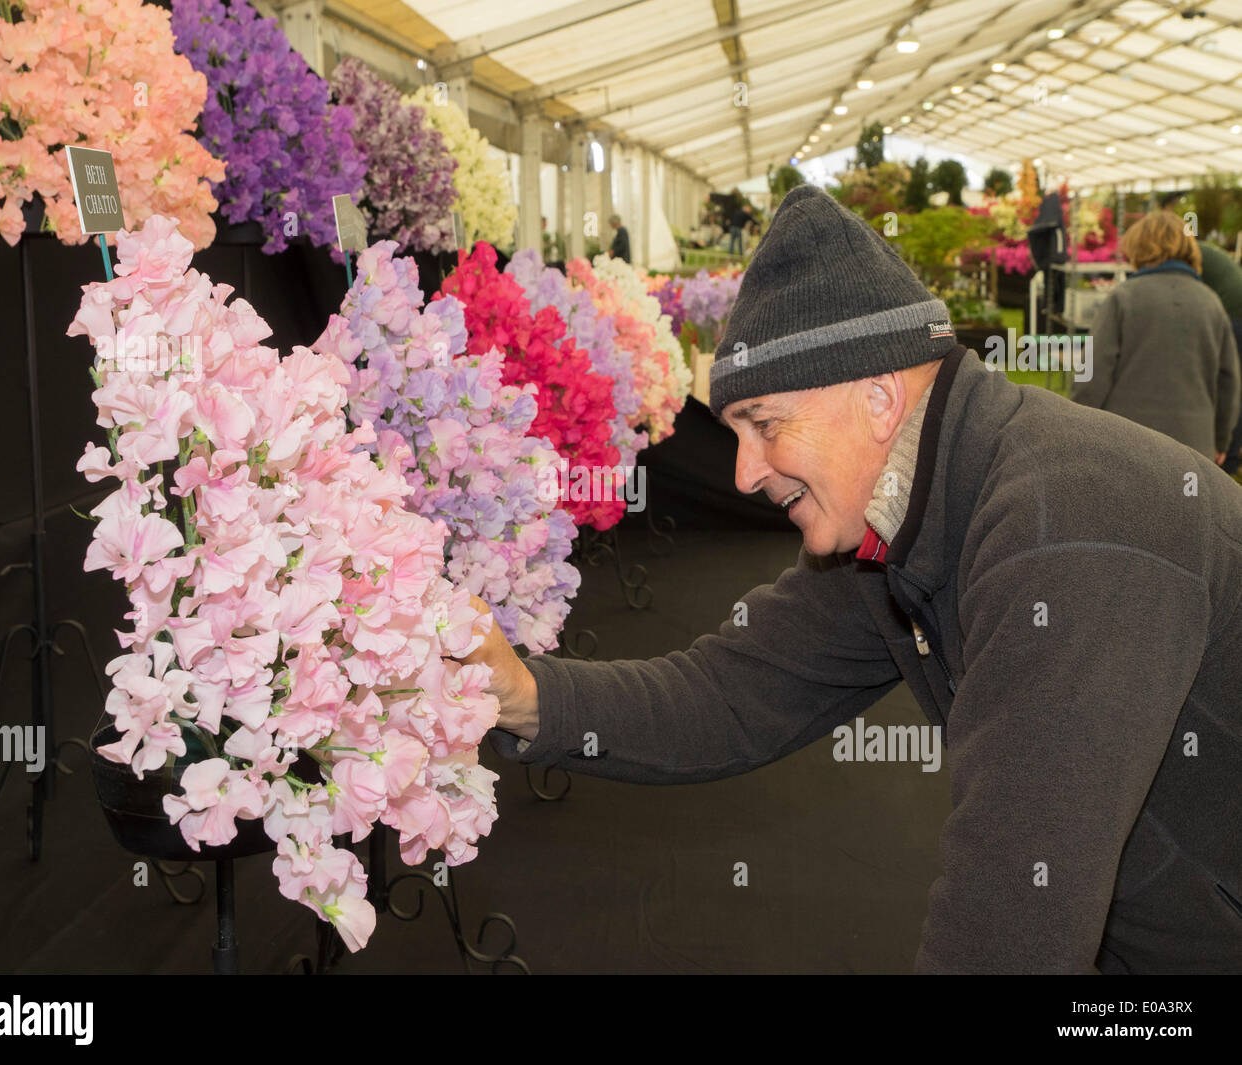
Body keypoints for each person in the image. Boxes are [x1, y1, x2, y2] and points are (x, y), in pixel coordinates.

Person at [461, 184, 1242, 974]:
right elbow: (729, 694)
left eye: (764, 425)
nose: (740, 473)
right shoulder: (897, 510)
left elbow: (1008, 925)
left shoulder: (1065, 533)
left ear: (878, 398)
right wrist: (526, 693)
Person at [1071, 210, 1240, 462]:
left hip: (1126, 447)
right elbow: (1229, 380)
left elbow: (1092, 374)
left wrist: (1076, 427)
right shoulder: (1212, 303)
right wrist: (1220, 440)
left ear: (1138, 247)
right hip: (1195, 453)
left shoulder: (1123, 298)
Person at [1198, 239, 1242, 473]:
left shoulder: (1187, 253)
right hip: (1235, 310)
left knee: (1230, 383)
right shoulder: (1198, 250)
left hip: (1235, 315)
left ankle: (1228, 458)